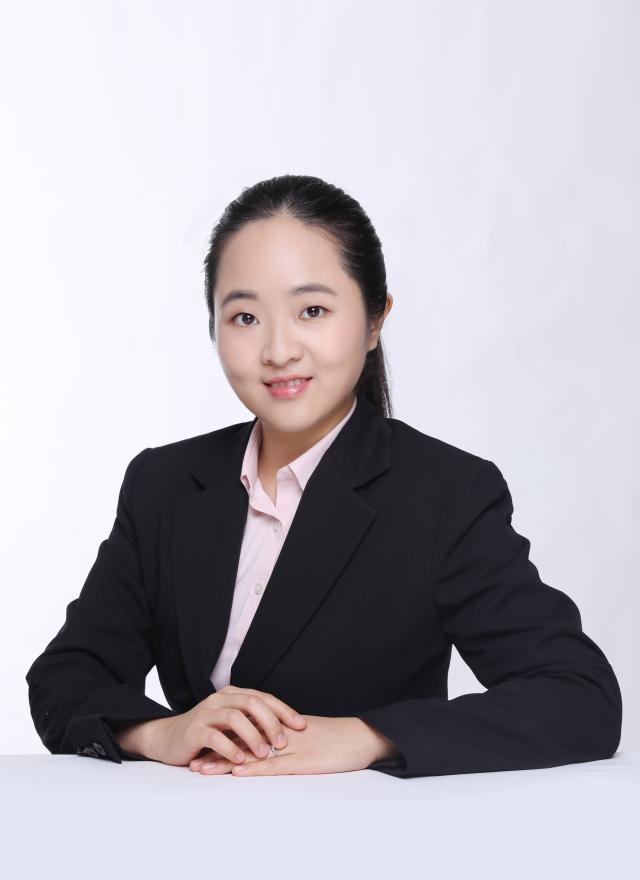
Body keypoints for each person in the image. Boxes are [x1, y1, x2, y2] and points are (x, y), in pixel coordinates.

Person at [26, 174, 623, 779]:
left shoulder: (444, 495)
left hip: (365, 829)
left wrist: (368, 737)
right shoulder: (165, 484)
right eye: (244, 317)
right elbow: (66, 676)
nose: (278, 350)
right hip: (192, 823)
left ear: (374, 320)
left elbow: (579, 697)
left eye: (312, 310)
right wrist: (162, 732)